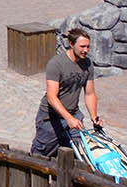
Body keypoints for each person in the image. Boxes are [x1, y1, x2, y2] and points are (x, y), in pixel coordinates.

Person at [31, 28, 101, 156]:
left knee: (81, 152)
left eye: (88, 47)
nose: (86, 50)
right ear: (71, 44)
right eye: (82, 46)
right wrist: (68, 118)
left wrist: (94, 117)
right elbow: (52, 97)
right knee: (41, 156)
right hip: (50, 118)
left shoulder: (88, 64)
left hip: (73, 115)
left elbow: (90, 93)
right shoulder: (56, 63)